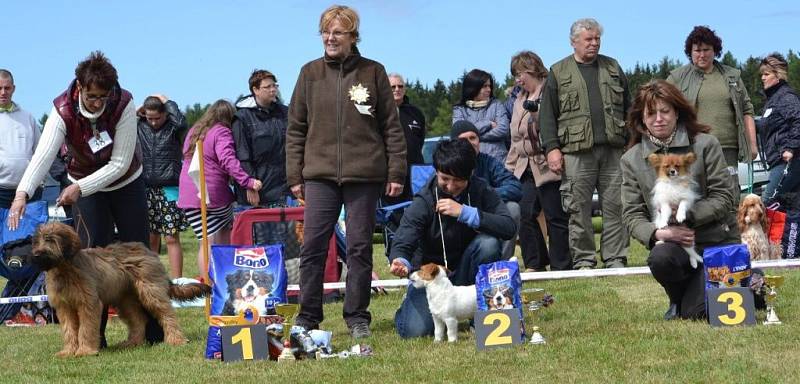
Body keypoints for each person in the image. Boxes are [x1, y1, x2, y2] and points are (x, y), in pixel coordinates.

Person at [8, 51, 162, 346]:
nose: (98, 102)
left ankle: (153, 334)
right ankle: (95, 338)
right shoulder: (62, 108)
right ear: (79, 87)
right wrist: (21, 194)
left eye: (104, 96)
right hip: (83, 184)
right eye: (92, 96)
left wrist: (81, 188)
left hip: (126, 182)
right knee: (89, 255)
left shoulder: (124, 103)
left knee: (139, 254)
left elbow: (119, 163)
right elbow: (42, 157)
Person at [285, 5, 406, 339]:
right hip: (319, 175)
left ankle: (357, 317)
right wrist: (295, 175)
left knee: (358, 248)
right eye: (325, 31)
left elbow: (391, 127)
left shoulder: (374, 72)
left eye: (337, 32)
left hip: (364, 175)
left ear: (353, 36)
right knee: (312, 247)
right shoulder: (309, 73)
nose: (330, 38)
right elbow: (295, 128)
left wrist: (396, 171)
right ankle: (308, 316)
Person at [621, 79, 739, 320]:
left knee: (695, 313)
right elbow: (631, 214)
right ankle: (678, 298)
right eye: (651, 113)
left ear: (677, 112)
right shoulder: (631, 159)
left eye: (665, 111)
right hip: (674, 247)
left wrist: (688, 218)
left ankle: (747, 283)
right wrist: (658, 234)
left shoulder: (706, 144)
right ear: (642, 118)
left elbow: (725, 196)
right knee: (660, 258)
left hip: (715, 242)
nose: (659, 118)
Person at [390, 138, 515, 338]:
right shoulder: (425, 199)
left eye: (458, 180)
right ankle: (408, 305)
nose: (450, 185)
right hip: (435, 278)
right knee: (414, 330)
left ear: (470, 175)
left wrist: (467, 213)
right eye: (444, 178)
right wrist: (400, 259)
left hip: (468, 270)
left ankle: (482, 318)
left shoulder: (481, 189)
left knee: (488, 244)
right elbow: (405, 235)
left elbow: (508, 226)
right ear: (436, 171)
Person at [539, 18, 630, 269]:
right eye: (588, 39)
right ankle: (584, 261)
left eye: (597, 39)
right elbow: (547, 115)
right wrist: (552, 148)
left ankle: (615, 258)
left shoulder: (612, 67)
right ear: (573, 42)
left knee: (616, 206)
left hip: (613, 151)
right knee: (578, 210)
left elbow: (629, 107)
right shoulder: (558, 71)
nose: (594, 43)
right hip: (576, 154)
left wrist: (632, 142)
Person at [666, 25, 758, 202]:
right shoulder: (677, 77)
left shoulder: (732, 76)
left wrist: (752, 144)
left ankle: (730, 229)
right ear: (690, 52)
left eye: (706, 49)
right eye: (697, 50)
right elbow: (663, 109)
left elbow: (747, 110)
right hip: (691, 147)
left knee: (730, 196)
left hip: (727, 149)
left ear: (715, 50)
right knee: (694, 196)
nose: (702, 54)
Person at [177, 100, 261, 275]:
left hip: (188, 195)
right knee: (232, 222)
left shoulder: (194, 131)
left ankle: (208, 285)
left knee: (206, 241)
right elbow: (228, 160)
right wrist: (248, 182)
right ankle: (225, 277)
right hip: (212, 194)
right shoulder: (221, 131)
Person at [506, 51, 571, 271]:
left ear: (531, 69)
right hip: (524, 167)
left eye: (519, 73)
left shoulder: (550, 92)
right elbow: (515, 138)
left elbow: (554, 127)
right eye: (515, 75)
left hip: (547, 163)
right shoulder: (518, 99)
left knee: (555, 215)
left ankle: (561, 264)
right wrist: (510, 167)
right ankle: (535, 262)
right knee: (525, 213)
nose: (517, 79)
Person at [451, 120, 522, 259]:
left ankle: (503, 263)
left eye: (473, 138)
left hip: (486, 215)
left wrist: (487, 196)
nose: (470, 143)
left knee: (512, 208)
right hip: (457, 220)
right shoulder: (448, 165)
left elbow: (515, 187)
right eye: (464, 139)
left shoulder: (489, 162)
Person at [137, 95, 188, 279]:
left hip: (170, 187)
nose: (153, 122)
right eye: (149, 118)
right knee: (151, 237)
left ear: (165, 114)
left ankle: (177, 282)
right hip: (146, 188)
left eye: (157, 118)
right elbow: (124, 120)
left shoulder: (174, 128)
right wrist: (137, 111)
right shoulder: (139, 126)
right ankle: (154, 280)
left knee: (171, 237)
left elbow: (182, 123)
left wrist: (166, 100)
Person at [232, 69, 290, 210]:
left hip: (284, 188)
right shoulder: (242, 118)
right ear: (255, 90)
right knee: (261, 232)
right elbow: (242, 155)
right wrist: (250, 185)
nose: (273, 90)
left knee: (289, 232)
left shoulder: (285, 113)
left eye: (275, 86)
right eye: (267, 87)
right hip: (257, 191)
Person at [758, 53, 800, 202]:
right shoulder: (772, 99)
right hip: (778, 161)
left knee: (768, 204)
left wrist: (790, 148)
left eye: (766, 74)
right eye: (762, 74)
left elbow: (798, 120)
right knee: (787, 209)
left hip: (787, 161)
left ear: (778, 75)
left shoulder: (786, 97)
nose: (762, 78)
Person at [0, 69, 41, 208]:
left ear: (14, 89)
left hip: (28, 190)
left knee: (30, 231)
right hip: (1, 191)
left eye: (7, 88)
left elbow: (41, 151)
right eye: (0, 88)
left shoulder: (28, 118)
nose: (3, 92)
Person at [452, 69, 511, 164]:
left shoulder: (496, 105)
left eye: (490, 86)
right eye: (485, 86)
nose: (489, 89)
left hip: (498, 161)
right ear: (473, 87)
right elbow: (460, 132)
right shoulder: (459, 109)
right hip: (470, 162)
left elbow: (504, 129)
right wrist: (488, 124)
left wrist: (474, 136)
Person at [385, 72, 426, 204]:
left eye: (400, 86)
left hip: (414, 173)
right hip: (390, 175)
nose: (397, 89)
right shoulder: (379, 112)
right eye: (393, 87)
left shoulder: (416, 113)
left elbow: (420, 140)